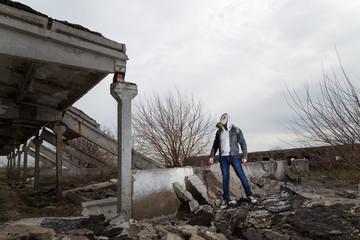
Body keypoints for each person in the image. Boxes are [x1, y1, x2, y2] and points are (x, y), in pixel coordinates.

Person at [209, 113, 257, 209]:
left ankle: (250, 195)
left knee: (241, 175)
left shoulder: (236, 130)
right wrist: (212, 155)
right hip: (223, 158)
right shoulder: (219, 132)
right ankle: (226, 198)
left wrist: (244, 155)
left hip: (234, 157)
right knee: (225, 177)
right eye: (222, 123)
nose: (224, 124)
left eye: (225, 122)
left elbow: (243, 143)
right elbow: (215, 145)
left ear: (228, 121)